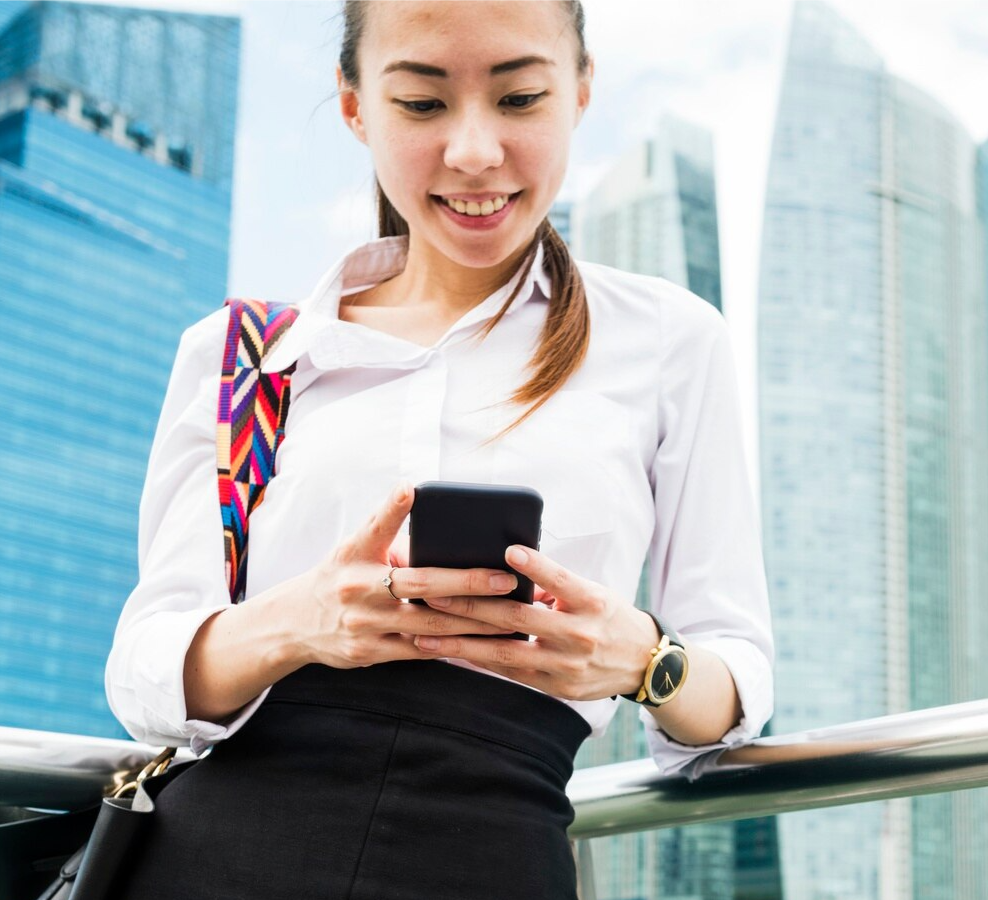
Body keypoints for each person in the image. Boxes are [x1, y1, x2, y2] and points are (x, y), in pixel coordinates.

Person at [102, 0, 774, 896]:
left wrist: (643, 658)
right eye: (421, 104)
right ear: (355, 109)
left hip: (494, 857)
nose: (473, 152)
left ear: (579, 92)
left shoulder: (670, 342)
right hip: (219, 856)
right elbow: (146, 670)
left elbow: (736, 680)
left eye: (520, 98)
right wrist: (304, 620)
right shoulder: (246, 357)